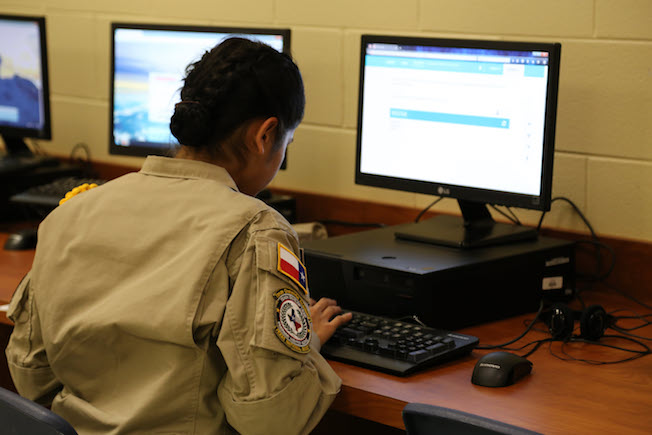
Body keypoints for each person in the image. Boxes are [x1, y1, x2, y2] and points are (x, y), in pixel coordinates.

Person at [5, 37, 352, 435]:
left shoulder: (74, 211)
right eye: (286, 143)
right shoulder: (257, 230)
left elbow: (29, 372)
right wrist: (303, 346)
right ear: (265, 135)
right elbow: (271, 418)